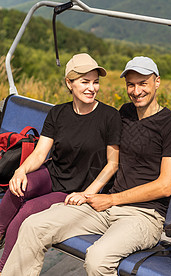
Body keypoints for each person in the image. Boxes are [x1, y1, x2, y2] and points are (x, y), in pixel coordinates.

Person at [2, 56, 171, 276]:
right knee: (34, 226)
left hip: (143, 215)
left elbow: (165, 186)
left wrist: (109, 198)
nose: (136, 91)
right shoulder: (125, 114)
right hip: (105, 207)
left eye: (143, 84)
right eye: (131, 84)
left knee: (98, 259)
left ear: (157, 82)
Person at [0, 53, 121, 274]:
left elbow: (113, 164)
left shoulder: (110, 117)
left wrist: (87, 193)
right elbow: (39, 155)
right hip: (52, 175)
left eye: (95, 82)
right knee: (16, 189)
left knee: (27, 213)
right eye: (85, 82)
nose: (91, 88)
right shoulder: (58, 113)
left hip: (74, 189)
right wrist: (20, 170)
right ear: (69, 83)